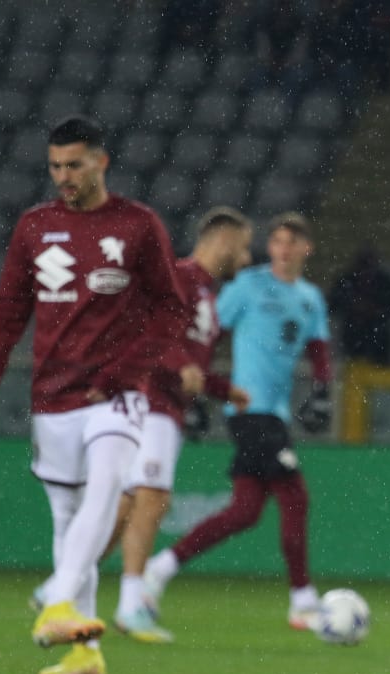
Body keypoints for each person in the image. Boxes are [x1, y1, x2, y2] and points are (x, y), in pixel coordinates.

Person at [0, 115, 202, 674]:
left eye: (74, 165)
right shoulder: (34, 227)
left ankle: (57, 603)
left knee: (106, 488)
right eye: (55, 166)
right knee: (68, 521)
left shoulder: (138, 225)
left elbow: (172, 310)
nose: (64, 176)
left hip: (117, 396)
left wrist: (128, 369)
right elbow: (8, 313)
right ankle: (85, 651)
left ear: (101, 162)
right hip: (54, 395)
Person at [143, 212, 334, 632]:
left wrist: (323, 390)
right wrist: (198, 392)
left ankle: (160, 568)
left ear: (307, 249)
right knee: (295, 497)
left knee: (245, 511)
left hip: (274, 413)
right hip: (249, 411)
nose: (282, 249)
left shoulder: (310, 298)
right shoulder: (247, 286)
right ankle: (302, 599)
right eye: (277, 241)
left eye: (292, 242)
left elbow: (319, 349)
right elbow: (209, 333)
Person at [107, 207, 254, 643]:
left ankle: (66, 585)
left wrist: (224, 390)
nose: (246, 258)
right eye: (243, 247)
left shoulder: (205, 293)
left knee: (128, 506)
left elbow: (192, 364)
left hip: (165, 406)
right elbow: (146, 326)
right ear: (223, 240)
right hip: (151, 402)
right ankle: (131, 605)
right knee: (152, 498)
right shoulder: (180, 276)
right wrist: (177, 364)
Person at [328, 244, 390, 365]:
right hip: (353, 333)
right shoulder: (346, 281)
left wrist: (376, 310)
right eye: (364, 263)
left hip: (379, 334)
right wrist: (353, 307)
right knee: (353, 366)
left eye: (369, 263)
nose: (366, 268)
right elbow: (333, 305)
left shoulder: (386, 282)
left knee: (380, 368)